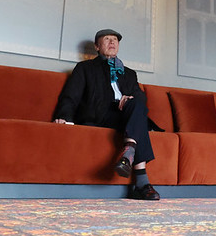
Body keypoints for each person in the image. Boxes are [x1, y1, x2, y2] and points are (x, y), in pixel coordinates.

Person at [52, 28, 160, 200]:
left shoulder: (129, 73)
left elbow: (140, 97)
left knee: (137, 104)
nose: (112, 42)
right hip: (99, 115)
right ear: (96, 46)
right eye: (107, 39)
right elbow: (71, 95)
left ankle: (129, 151)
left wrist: (129, 98)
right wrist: (64, 116)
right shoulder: (85, 68)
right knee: (139, 122)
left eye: (115, 40)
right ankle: (142, 182)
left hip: (125, 115)